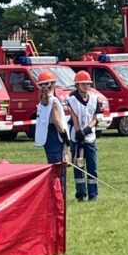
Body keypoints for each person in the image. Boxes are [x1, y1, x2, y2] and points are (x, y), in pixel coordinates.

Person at [66, 69, 103, 201]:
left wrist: (87, 129)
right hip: (77, 137)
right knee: (79, 166)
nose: (85, 86)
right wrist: (78, 132)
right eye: (82, 84)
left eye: (87, 84)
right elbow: (74, 117)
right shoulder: (72, 99)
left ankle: (93, 195)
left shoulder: (94, 99)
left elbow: (95, 117)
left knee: (92, 166)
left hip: (90, 136)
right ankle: (81, 194)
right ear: (77, 85)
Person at [34, 68, 70, 193]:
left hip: (47, 137)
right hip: (55, 135)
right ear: (53, 84)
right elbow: (56, 120)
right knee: (59, 169)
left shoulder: (42, 101)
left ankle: (54, 194)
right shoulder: (53, 101)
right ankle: (60, 196)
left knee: (53, 168)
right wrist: (65, 136)